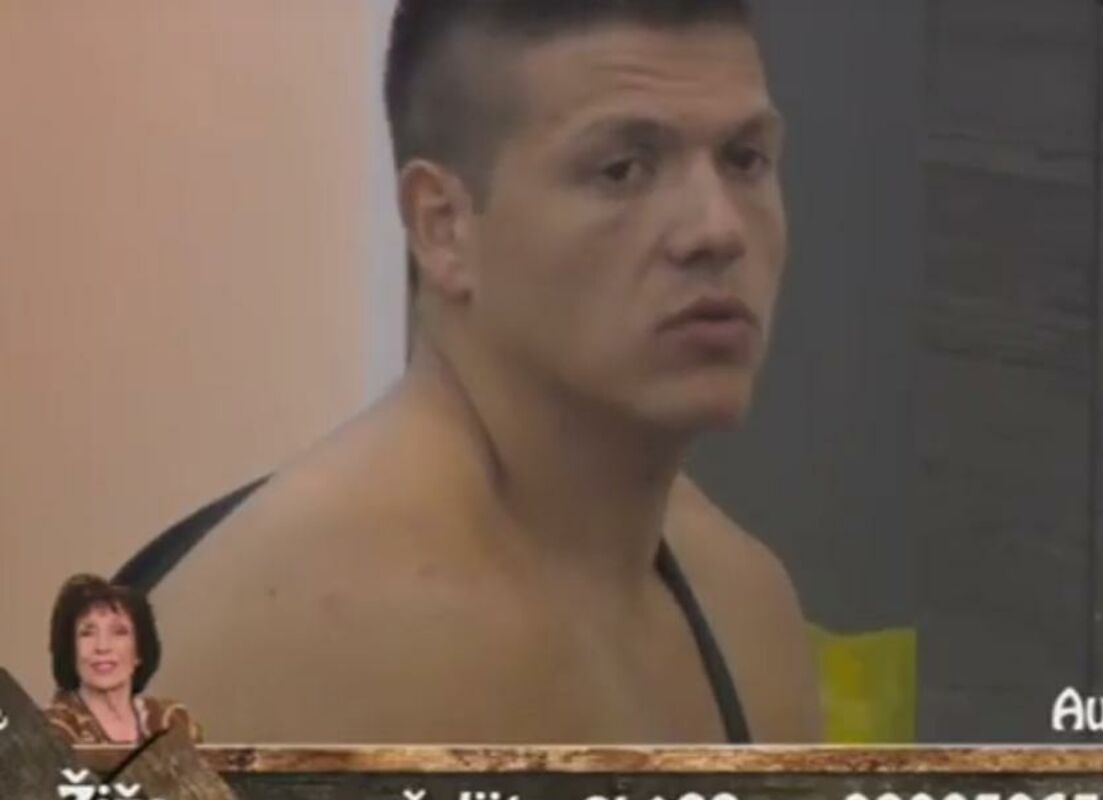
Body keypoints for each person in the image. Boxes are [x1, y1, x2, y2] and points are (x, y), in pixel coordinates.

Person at [145, 0, 821, 743]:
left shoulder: (743, 606)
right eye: (623, 170)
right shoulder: (294, 636)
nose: (717, 230)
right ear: (443, 226)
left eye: (744, 160)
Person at [44, 574, 202, 745]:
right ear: (70, 650)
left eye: (119, 632)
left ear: (139, 650)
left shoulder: (171, 721)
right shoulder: (52, 728)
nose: (102, 647)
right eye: (87, 633)